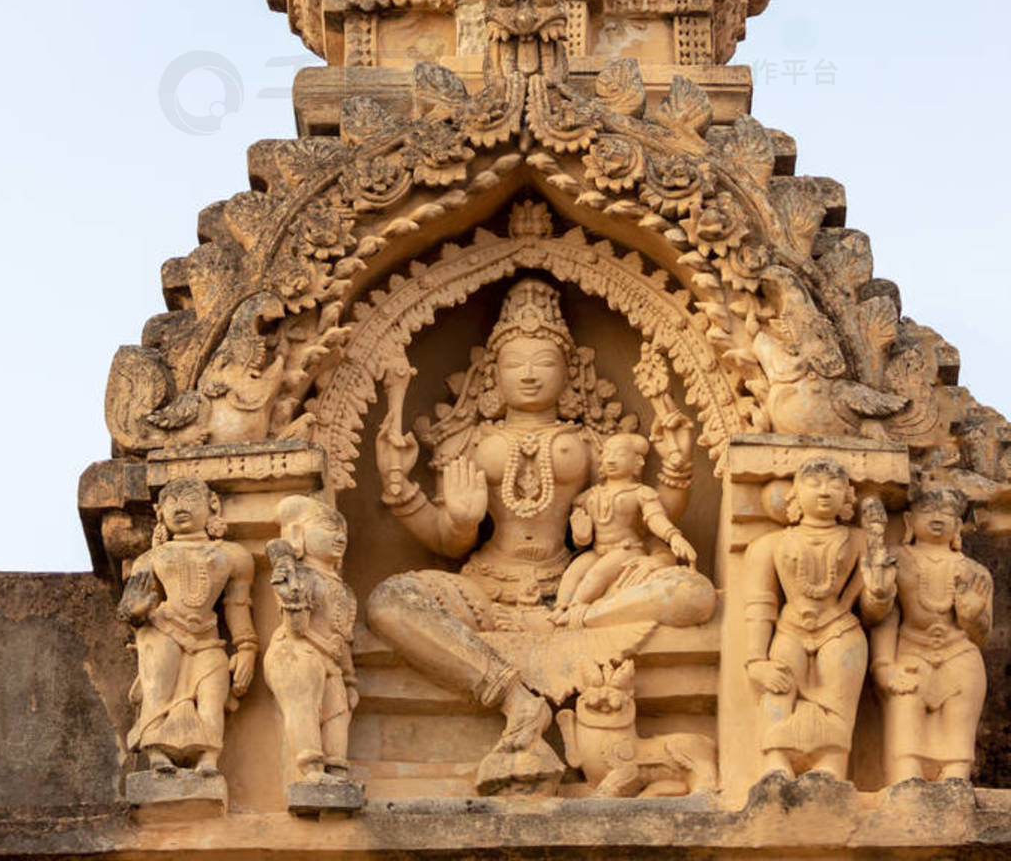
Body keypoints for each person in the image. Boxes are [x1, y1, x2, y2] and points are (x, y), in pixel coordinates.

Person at [367, 276, 714, 793]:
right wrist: (443, 514)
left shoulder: (592, 441)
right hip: (486, 588)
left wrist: (678, 468)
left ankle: (584, 621)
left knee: (694, 593)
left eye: (544, 363)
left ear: (569, 372)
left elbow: (643, 513)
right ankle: (512, 696)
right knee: (388, 601)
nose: (529, 376)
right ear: (492, 373)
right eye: (515, 365)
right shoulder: (469, 440)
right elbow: (445, 540)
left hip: (579, 591)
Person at [743, 457, 895, 780]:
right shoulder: (768, 545)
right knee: (779, 686)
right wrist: (756, 661)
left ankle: (830, 763)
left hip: (840, 629)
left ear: (848, 498)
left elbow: (872, 614)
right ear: (794, 496)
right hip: (790, 630)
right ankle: (776, 759)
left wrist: (879, 594)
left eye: (835, 485)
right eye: (814, 484)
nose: (825, 492)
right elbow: (760, 605)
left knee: (838, 699)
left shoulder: (861, 542)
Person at [117, 477, 257, 776]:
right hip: (162, 630)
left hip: (208, 636)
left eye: (190, 499)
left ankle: (208, 758)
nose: (181, 508)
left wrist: (247, 647)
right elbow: (130, 608)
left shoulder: (233, 556)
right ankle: (157, 755)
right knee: (158, 693)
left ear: (213, 505)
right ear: (159, 512)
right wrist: (136, 612)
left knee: (212, 695)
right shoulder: (150, 558)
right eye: (172, 502)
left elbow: (237, 606)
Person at [871, 487, 992, 783]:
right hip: (912, 652)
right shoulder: (896, 561)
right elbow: (886, 619)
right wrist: (884, 665)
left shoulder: (976, 572)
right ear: (910, 521)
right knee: (905, 729)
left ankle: (956, 781)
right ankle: (905, 782)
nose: (937, 518)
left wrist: (972, 615)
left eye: (947, 513)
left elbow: (982, 635)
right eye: (928, 511)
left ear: (958, 526)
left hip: (960, 654)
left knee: (957, 735)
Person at [264, 496, 360, 787]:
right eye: (328, 528)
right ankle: (311, 771)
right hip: (295, 652)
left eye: (342, 531)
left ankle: (336, 771)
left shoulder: (343, 590)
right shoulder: (298, 575)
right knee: (303, 707)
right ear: (298, 534)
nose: (340, 537)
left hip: (331, 661)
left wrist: (350, 679)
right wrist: (292, 598)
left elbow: (343, 637)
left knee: (337, 715)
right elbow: (296, 629)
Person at [553, 431, 697, 625]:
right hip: (598, 550)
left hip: (626, 549)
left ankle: (575, 608)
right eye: (607, 453)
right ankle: (560, 606)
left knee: (597, 574)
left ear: (638, 462)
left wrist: (673, 537)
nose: (611, 460)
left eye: (619, 454)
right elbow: (581, 540)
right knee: (573, 572)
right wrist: (581, 535)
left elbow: (655, 518)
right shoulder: (588, 496)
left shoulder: (641, 493)